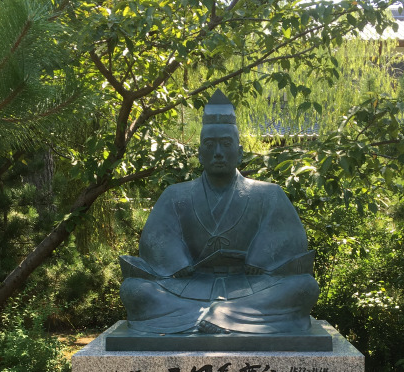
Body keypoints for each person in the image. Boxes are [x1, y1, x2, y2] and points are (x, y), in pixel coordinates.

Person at [119, 89, 319, 334]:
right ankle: (221, 318)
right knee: (135, 289)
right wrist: (177, 263)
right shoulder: (175, 195)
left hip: (252, 285)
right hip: (188, 285)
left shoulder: (268, 194)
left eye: (226, 144)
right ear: (200, 153)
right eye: (210, 145)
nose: (218, 153)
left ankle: (216, 317)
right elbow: (156, 240)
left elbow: (288, 240)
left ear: (240, 151)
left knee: (304, 286)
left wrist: (260, 260)